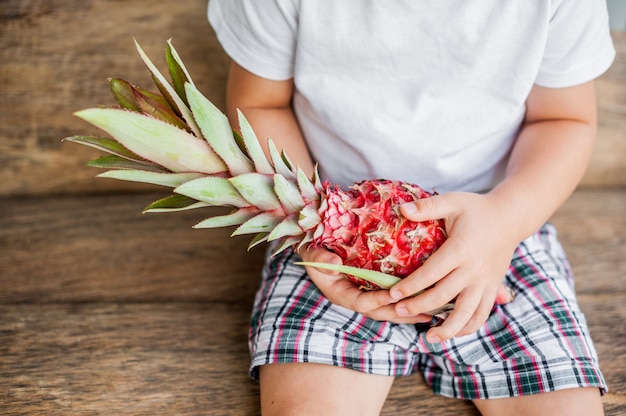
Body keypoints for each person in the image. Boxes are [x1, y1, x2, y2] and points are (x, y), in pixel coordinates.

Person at [208, 1, 615, 414]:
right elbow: (260, 103)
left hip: (503, 223)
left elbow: (563, 119)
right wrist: (312, 229)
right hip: (332, 240)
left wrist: (506, 218)